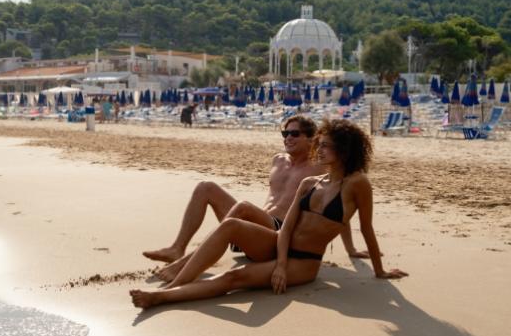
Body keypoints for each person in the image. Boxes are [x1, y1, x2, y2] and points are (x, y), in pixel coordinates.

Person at [131, 119, 407, 309]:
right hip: (279, 245)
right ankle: (174, 285)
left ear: (344, 151)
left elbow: (366, 228)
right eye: (319, 144)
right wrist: (280, 264)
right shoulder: (310, 183)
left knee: (233, 279)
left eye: (325, 145)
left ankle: (161, 299)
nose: (318, 150)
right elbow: (286, 228)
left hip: (305, 261)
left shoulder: (357, 184)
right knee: (231, 225)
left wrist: (379, 271)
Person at [143, 115, 365, 280]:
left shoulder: (319, 167)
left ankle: (186, 262)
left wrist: (351, 249)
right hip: (256, 229)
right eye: (285, 134)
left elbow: (336, 209)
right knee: (205, 187)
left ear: (312, 139)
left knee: (244, 207)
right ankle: (177, 249)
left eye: (294, 134)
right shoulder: (278, 160)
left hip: (278, 233)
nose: (288, 138)